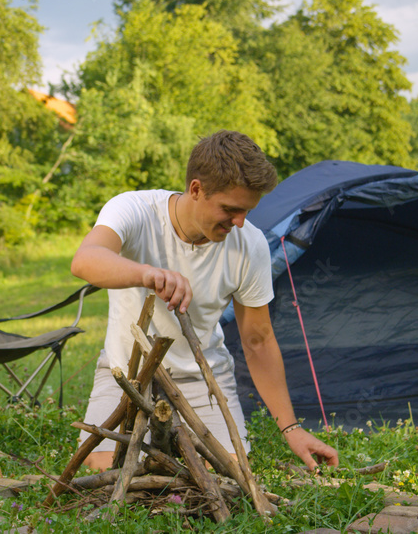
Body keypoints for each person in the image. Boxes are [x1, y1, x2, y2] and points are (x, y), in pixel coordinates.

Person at [72, 130, 338, 472]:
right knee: (104, 465)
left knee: (225, 469)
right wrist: (147, 274)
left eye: (246, 211)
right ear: (196, 189)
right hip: (127, 371)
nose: (239, 223)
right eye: (230, 209)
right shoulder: (134, 209)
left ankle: (167, 449)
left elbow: (258, 341)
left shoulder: (249, 244)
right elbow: (85, 259)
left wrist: (292, 428)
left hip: (201, 377)